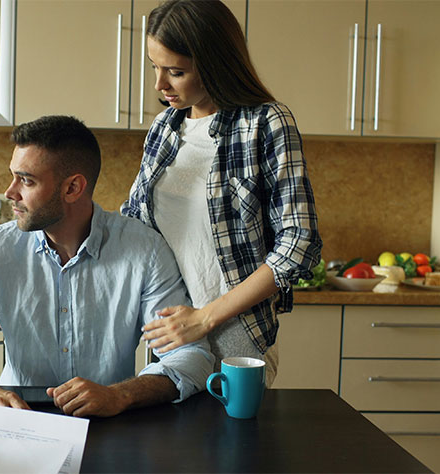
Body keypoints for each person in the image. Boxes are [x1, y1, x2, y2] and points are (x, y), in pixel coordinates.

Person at [0, 115, 214, 418]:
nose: (10, 192)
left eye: (26, 180)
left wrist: (121, 394)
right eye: (13, 177)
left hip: (108, 422)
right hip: (18, 419)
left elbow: (191, 356)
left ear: (73, 187)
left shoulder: (145, 250)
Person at [121, 0, 322, 387]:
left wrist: (205, 317)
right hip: (171, 331)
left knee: (231, 447)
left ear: (214, 63)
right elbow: (135, 223)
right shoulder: (164, 127)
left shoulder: (266, 122)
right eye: (155, 67)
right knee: (167, 445)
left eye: (175, 72)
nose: (159, 85)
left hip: (235, 330)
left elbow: (299, 241)